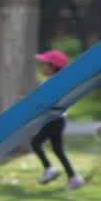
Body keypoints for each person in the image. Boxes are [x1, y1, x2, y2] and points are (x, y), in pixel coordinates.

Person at [28, 49, 84, 190]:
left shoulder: (52, 83)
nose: (42, 67)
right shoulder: (59, 82)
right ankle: (73, 177)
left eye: (44, 64)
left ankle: (49, 169)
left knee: (35, 143)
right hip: (58, 120)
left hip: (53, 120)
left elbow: (43, 102)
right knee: (58, 150)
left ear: (52, 67)